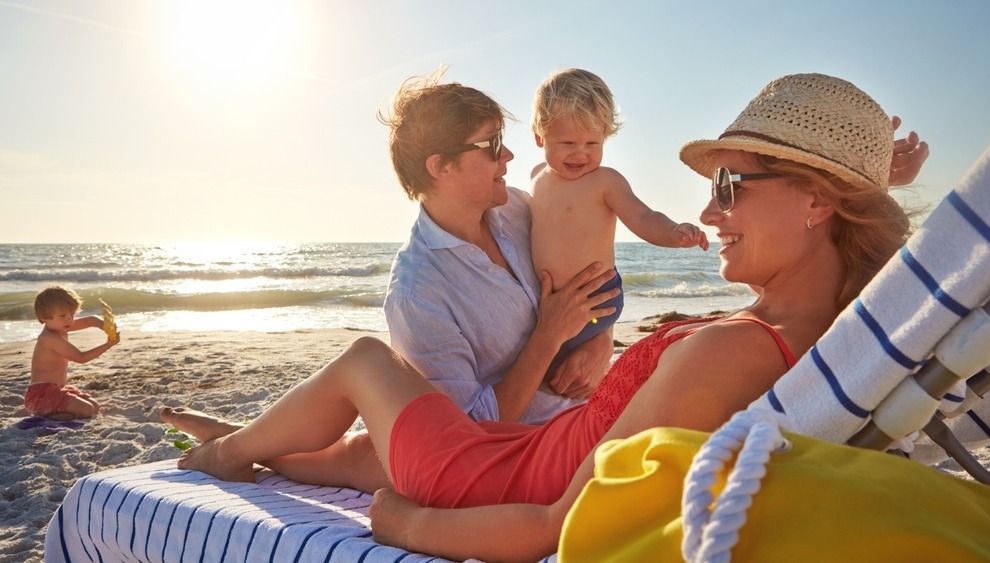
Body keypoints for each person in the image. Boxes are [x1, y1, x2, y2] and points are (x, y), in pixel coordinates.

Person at [162, 73, 928, 562]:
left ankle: (229, 454)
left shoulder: (731, 351)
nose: (707, 207)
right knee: (359, 451)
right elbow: (876, 278)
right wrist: (867, 188)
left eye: (731, 185)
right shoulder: (819, 324)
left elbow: (552, 525)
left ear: (819, 202)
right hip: (516, 439)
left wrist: (404, 525)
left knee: (366, 363)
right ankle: (241, 444)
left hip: (496, 470)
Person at [382, 70, 620, 424]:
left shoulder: (523, 209)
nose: (507, 155)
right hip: (527, 453)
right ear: (441, 166)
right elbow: (468, 429)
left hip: (598, 418)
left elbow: (593, 279)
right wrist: (547, 339)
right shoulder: (417, 295)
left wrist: (600, 341)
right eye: (492, 145)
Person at [529, 69, 708, 369]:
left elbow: (643, 216)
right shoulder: (536, 178)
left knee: (578, 372)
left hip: (596, 297)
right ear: (540, 137)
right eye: (567, 143)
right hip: (550, 301)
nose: (580, 154)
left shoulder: (605, 182)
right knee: (553, 371)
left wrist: (674, 231)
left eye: (592, 144)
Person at [26, 286, 119, 419]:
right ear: (43, 317)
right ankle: (47, 416)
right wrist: (108, 345)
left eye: (72, 314)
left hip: (56, 390)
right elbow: (81, 358)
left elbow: (90, 320)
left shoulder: (60, 326)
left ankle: (62, 414)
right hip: (41, 395)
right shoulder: (49, 338)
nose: (69, 319)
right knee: (86, 410)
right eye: (63, 315)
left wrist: (105, 326)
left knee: (94, 407)